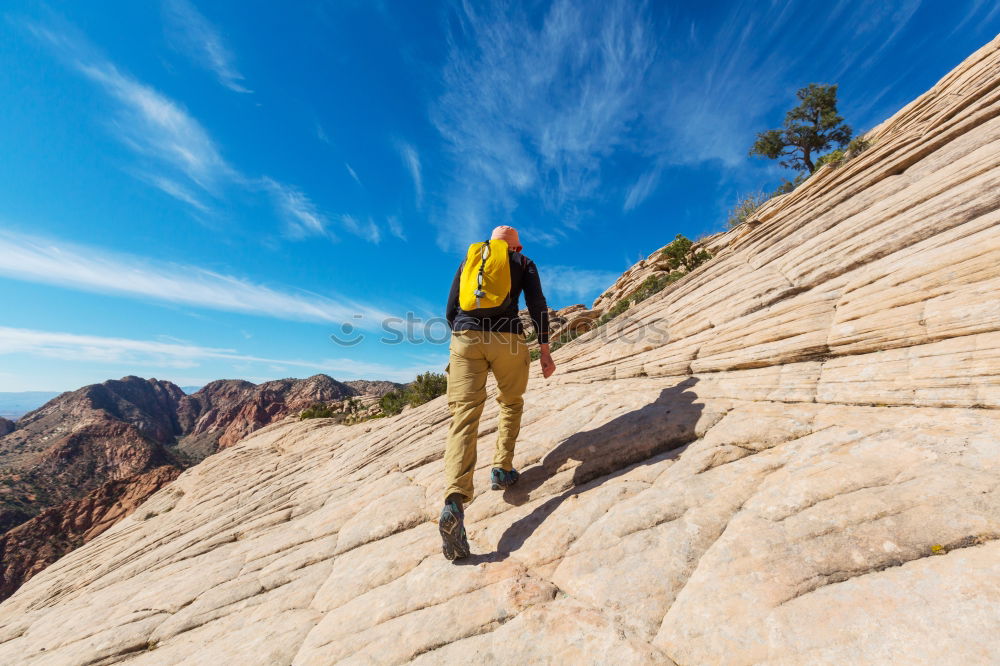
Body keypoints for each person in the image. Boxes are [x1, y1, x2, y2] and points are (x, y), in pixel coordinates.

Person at [438, 225, 556, 561]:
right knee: (510, 402)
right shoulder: (523, 262)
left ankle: (454, 501)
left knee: (464, 417)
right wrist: (544, 350)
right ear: (515, 247)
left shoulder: (469, 261)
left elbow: (450, 310)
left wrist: (466, 335)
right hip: (507, 339)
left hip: (465, 339)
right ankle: (502, 469)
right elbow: (537, 304)